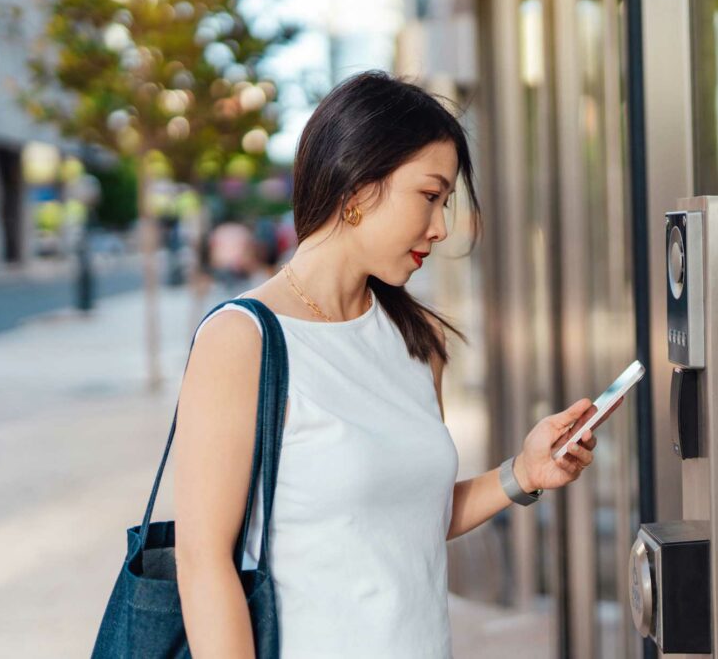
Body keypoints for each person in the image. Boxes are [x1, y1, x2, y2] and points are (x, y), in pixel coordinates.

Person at [172, 70, 614, 657]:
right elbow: (204, 563)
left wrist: (524, 473)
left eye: (447, 201)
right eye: (430, 196)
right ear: (357, 189)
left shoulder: (417, 340)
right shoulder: (242, 340)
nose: (441, 227)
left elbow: (409, 518)